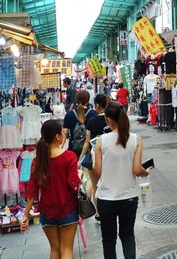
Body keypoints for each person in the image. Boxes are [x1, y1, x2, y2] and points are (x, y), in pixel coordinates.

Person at [94, 102, 150, 259]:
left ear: (108, 120)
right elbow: (137, 170)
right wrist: (146, 172)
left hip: (106, 198)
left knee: (109, 240)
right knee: (127, 236)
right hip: (129, 197)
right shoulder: (136, 139)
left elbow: (97, 171)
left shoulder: (101, 141)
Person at [21, 120, 82, 259]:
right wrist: (80, 176)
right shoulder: (69, 157)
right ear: (57, 137)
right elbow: (73, 184)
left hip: (47, 211)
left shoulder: (38, 160)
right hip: (67, 208)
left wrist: (25, 215)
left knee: (54, 250)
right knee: (66, 250)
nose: (63, 134)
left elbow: (32, 189)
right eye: (62, 132)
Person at [79, 94, 109, 221]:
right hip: (110, 156)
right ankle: (110, 210)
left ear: (97, 105)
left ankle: (99, 213)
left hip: (95, 157)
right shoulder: (111, 119)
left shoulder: (91, 121)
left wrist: (80, 159)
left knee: (96, 186)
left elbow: (87, 142)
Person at [63, 90, 97, 156]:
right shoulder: (93, 113)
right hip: (89, 150)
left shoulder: (69, 114)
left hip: (73, 149)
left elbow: (64, 133)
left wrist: (61, 149)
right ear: (88, 100)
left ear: (76, 99)